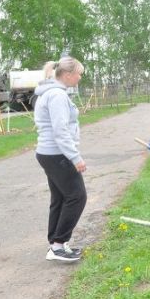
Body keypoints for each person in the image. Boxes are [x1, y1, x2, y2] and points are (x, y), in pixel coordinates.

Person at [34, 56, 87, 263]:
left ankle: (56, 244)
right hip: (57, 154)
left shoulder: (52, 93)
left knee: (61, 198)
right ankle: (57, 245)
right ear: (67, 74)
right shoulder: (56, 95)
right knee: (77, 197)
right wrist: (75, 157)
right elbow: (60, 130)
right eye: (78, 74)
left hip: (49, 153)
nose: (79, 78)